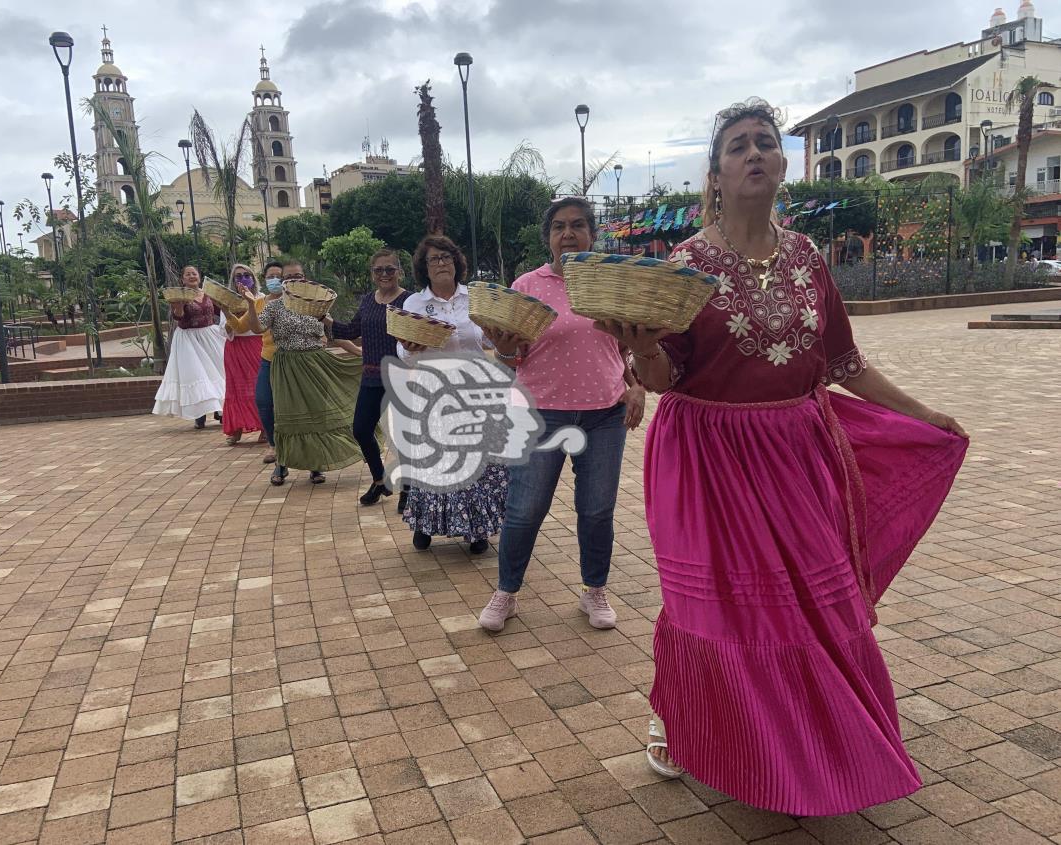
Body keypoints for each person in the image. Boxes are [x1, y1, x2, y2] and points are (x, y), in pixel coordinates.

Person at [602, 98, 969, 815]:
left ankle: (820, 745)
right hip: (706, 457)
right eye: (737, 145)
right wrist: (641, 346)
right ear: (714, 173)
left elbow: (843, 361)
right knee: (711, 607)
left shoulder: (806, 257)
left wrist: (923, 414)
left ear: (779, 166)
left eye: (764, 142)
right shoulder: (683, 266)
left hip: (799, 453)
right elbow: (662, 378)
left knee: (810, 606)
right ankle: (680, 718)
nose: (753, 153)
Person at [477, 197, 646, 633]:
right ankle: (506, 592)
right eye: (558, 227)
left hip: (604, 415)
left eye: (576, 225)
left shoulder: (610, 284)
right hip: (541, 415)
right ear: (548, 237)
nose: (567, 234)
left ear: (592, 232)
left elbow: (624, 346)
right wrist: (504, 347)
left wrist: (635, 385)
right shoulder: (527, 285)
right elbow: (511, 356)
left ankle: (594, 589)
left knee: (596, 511)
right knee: (524, 509)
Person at [395, 235, 507, 555]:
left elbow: (488, 341)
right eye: (434, 259)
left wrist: (503, 337)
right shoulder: (415, 303)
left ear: (456, 262)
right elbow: (404, 355)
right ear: (424, 268)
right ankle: (424, 523)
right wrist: (410, 348)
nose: (442, 263)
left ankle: (476, 529)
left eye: (446, 257)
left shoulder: (474, 298)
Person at [242, 276, 364, 486]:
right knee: (285, 416)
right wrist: (251, 304)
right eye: (289, 278)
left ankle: (315, 465)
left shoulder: (317, 308)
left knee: (316, 416)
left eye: (299, 277)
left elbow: (334, 333)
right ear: (284, 283)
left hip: (315, 365)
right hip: (287, 367)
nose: (294, 282)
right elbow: (257, 328)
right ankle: (281, 463)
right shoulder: (275, 306)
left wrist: (358, 353)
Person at [329, 249, 411, 505]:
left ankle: (408, 490)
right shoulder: (367, 300)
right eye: (379, 270)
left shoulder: (410, 301)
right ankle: (379, 480)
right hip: (371, 377)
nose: (385, 274)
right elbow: (352, 330)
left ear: (399, 271)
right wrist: (325, 319)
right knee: (361, 430)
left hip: (401, 378)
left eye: (390, 269)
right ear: (372, 274)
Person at [152, 265, 226, 428]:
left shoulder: (208, 294)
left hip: (210, 335)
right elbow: (178, 316)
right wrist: (178, 305)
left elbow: (221, 311)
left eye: (194, 273)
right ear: (183, 279)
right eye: (188, 274)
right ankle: (199, 414)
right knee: (196, 375)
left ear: (199, 277)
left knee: (218, 371)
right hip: (188, 339)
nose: (192, 276)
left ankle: (219, 409)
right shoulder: (178, 295)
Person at [221, 263, 265, 446]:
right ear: (233, 280)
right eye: (238, 276)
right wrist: (228, 316)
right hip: (235, 347)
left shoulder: (261, 298)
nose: (243, 278)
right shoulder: (228, 300)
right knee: (236, 388)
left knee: (258, 387)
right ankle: (236, 428)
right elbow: (223, 329)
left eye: (246, 275)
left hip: (256, 344)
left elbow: (263, 322)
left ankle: (264, 427)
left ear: (253, 278)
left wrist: (249, 305)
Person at [254, 260, 286, 465]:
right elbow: (243, 327)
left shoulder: (295, 301)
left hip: (291, 359)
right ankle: (273, 444)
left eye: (279, 276)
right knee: (264, 402)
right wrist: (229, 311)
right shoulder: (259, 302)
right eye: (270, 276)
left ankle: (309, 459)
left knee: (293, 407)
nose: (275, 280)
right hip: (268, 358)